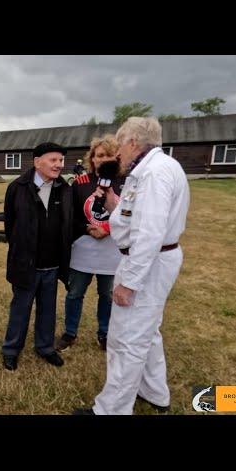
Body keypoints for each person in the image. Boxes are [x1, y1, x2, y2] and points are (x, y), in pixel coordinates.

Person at [74, 117, 190, 415]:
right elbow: (135, 217)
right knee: (147, 332)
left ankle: (111, 410)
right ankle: (154, 392)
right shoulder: (148, 170)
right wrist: (114, 203)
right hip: (147, 259)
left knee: (128, 339)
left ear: (133, 143)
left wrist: (130, 283)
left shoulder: (154, 173)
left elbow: (149, 233)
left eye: (121, 145)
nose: (117, 154)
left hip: (147, 262)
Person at [0, 142, 73, 371]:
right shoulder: (17, 187)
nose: (59, 165)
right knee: (20, 309)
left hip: (52, 265)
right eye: (53, 160)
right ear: (37, 161)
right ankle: (11, 350)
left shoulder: (64, 188)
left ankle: (45, 347)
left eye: (61, 160)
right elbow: (11, 224)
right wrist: (22, 251)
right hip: (26, 264)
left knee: (48, 309)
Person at [56, 135, 125, 352]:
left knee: (107, 295)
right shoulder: (80, 183)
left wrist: (107, 228)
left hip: (112, 251)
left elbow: (132, 216)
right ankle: (69, 333)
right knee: (75, 293)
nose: (104, 159)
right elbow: (69, 216)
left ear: (117, 157)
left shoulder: (125, 183)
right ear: (92, 159)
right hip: (83, 248)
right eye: (100, 155)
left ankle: (105, 334)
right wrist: (87, 228)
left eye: (109, 155)